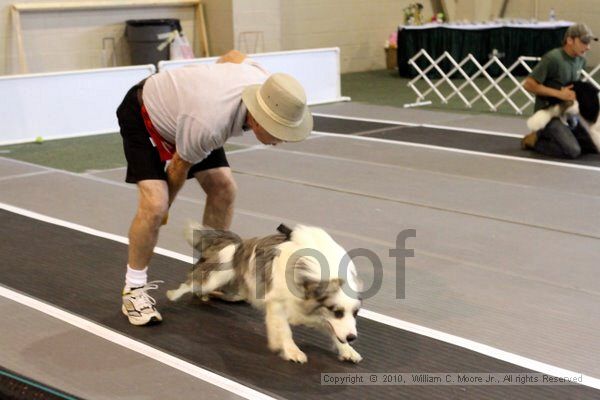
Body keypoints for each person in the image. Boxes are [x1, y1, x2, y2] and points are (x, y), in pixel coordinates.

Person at [116, 50, 313, 325]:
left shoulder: (266, 84)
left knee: (224, 188)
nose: (280, 141)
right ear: (256, 118)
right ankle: (133, 290)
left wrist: (208, 80)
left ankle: (208, 275)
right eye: (277, 132)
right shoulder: (208, 125)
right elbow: (176, 168)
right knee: (155, 206)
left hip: (190, 114)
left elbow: (233, 56)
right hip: (145, 116)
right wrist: (161, 215)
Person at [521, 23, 597, 158]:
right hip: (548, 114)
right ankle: (535, 140)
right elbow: (528, 84)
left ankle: (559, 134)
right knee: (573, 151)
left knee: (591, 146)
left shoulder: (581, 60)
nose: (588, 47)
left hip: (568, 112)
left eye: (589, 42)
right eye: (584, 42)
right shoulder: (553, 59)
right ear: (569, 40)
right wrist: (559, 94)